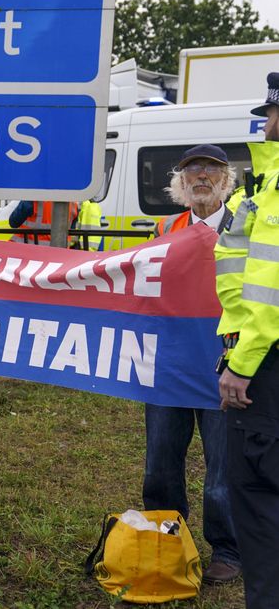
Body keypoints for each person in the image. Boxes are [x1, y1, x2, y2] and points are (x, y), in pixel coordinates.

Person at [142, 143, 241, 584]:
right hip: (170, 364)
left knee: (224, 466)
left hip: (226, 365)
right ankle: (167, 537)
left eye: (212, 170)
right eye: (193, 170)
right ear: (180, 183)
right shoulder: (165, 227)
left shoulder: (244, 227)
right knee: (161, 461)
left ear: (226, 179)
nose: (202, 176)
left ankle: (229, 550)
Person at [215, 71, 279, 608]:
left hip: (268, 368)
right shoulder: (260, 188)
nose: (268, 124)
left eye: (273, 115)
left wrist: (241, 362)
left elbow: (269, 288)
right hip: (257, 348)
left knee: (259, 503)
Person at [8, 201, 77, 245]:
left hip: (29, 252)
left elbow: (13, 222)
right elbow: (72, 228)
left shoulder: (34, 197)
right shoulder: (73, 202)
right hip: (61, 255)